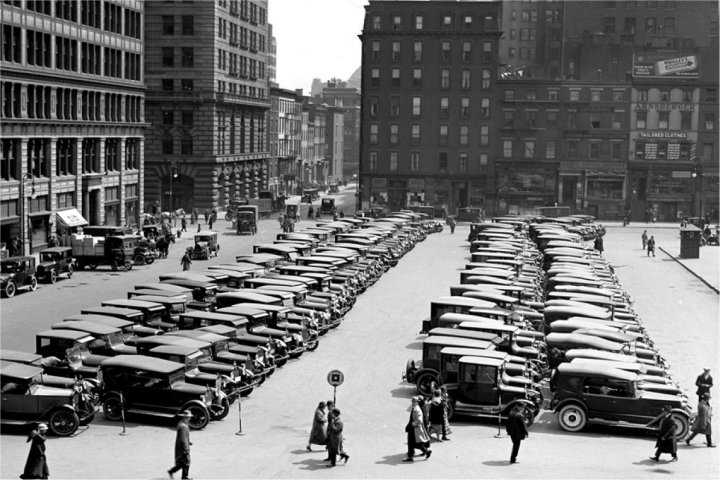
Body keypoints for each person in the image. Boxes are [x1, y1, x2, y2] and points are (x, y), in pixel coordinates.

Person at [403, 396, 431, 462]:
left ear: (417, 402)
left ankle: (411, 456)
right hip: (413, 429)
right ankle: (425, 452)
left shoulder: (417, 410)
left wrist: (412, 424)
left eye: (414, 402)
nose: (413, 403)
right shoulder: (414, 408)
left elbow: (419, 420)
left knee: (414, 443)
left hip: (415, 429)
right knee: (413, 443)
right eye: (412, 401)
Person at [168, 410, 192, 479]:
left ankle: (171, 471)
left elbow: (184, 437)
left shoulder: (182, 423)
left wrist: (188, 442)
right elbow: (183, 439)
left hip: (182, 446)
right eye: (189, 417)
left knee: (183, 462)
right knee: (186, 461)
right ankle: (184, 476)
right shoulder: (183, 426)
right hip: (183, 447)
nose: (190, 418)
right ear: (186, 418)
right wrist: (186, 449)